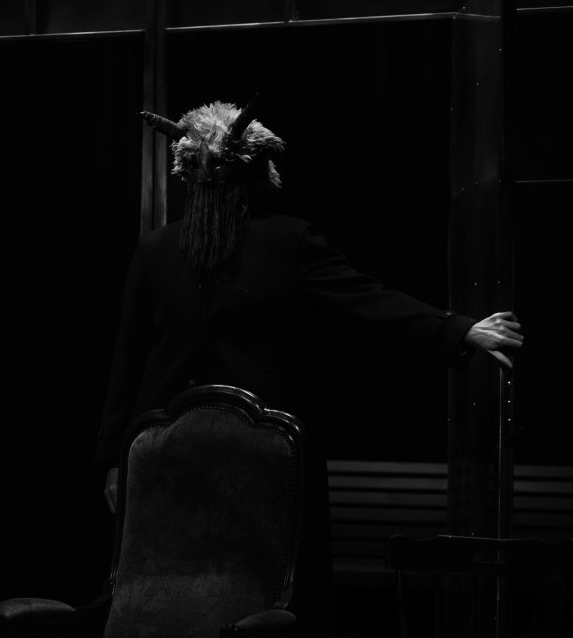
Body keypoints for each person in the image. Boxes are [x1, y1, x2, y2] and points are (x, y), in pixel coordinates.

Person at [96, 100, 523, 633]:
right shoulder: (157, 251)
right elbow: (128, 359)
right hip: (168, 459)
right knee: (164, 594)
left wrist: (458, 328)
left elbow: (365, 299)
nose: (211, 182)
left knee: (264, 599)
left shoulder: (286, 243)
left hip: (265, 462)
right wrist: (116, 460)